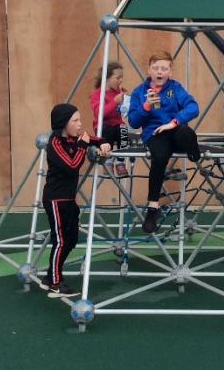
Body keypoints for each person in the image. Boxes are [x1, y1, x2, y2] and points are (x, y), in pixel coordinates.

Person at [128, 51, 201, 234]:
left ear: (170, 71)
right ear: (149, 70)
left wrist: (173, 122)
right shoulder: (139, 92)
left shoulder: (175, 88)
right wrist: (146, 106)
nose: (159, 72)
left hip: (174, 129)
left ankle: (193, 149)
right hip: (155, 134)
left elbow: (193, 107)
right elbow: (133, 122)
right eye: (156, 68)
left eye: (164, 68)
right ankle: (153, 208)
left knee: (186, 132)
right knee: (159, 157)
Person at [43, 103, 110, 298]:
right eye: (75, 120)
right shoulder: (55, 143)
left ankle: (50, 276)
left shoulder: (74, 138)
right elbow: (72, 165)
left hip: (69, 198)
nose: (80, 124)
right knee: (61, 240)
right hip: (56, 199)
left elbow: (95, 139)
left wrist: (104, 143)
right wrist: (82, 145)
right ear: (64, 123)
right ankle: (55, 284)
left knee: (71, 238)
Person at [90, 61, 129, 177]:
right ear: (107, 79)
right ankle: (108, 160)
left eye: (122, 77)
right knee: (109, 131)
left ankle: (121, 161)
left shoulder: (119, 92)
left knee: (123, 129)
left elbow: (124, 112)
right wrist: (115, 102)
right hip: (103, 127)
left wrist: (127, 103)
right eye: (118, 78)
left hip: (117, 124)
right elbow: (100, 114)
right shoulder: (97, 94)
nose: (121, 80)